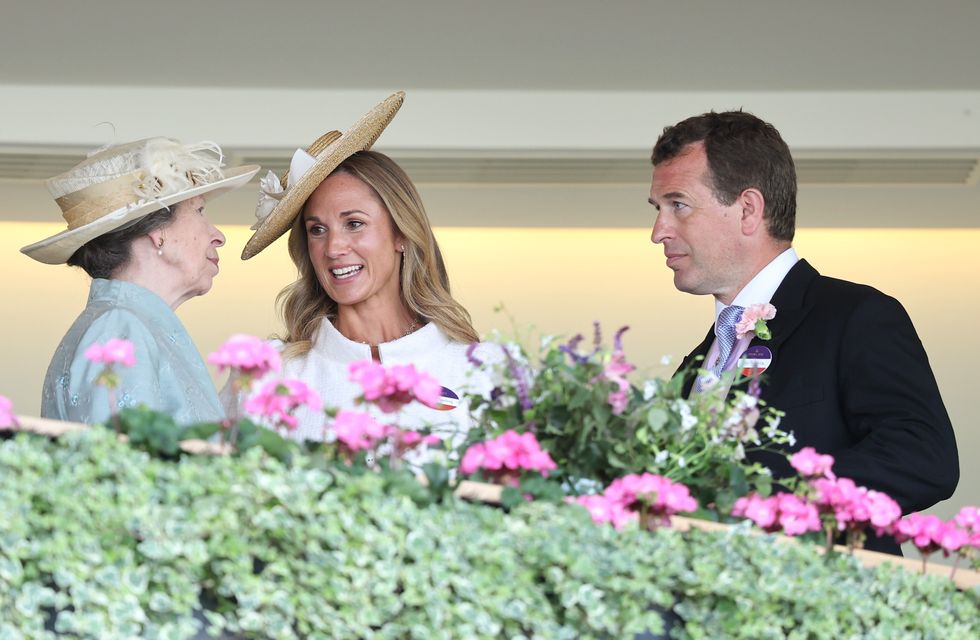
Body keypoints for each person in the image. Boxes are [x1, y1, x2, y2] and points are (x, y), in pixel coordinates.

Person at [647, 110, 958, 554]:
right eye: (658, 210)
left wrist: (765, 502)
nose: (659, 231)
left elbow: (923, 459)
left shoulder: (857, 317)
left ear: (748, 210)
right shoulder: (699, 360)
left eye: (678, 205)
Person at [241, 92, 491, 444]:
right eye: (317, 230)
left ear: (401, 234)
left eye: (354, 223)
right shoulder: (269, 375)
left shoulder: (484, 370)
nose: (334, 248)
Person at [22, 138, 259, 425]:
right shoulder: (120, 327)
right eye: (199, 211)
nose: (218, 235)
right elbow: (127, 465)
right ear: (158, 232)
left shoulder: (128, 324)